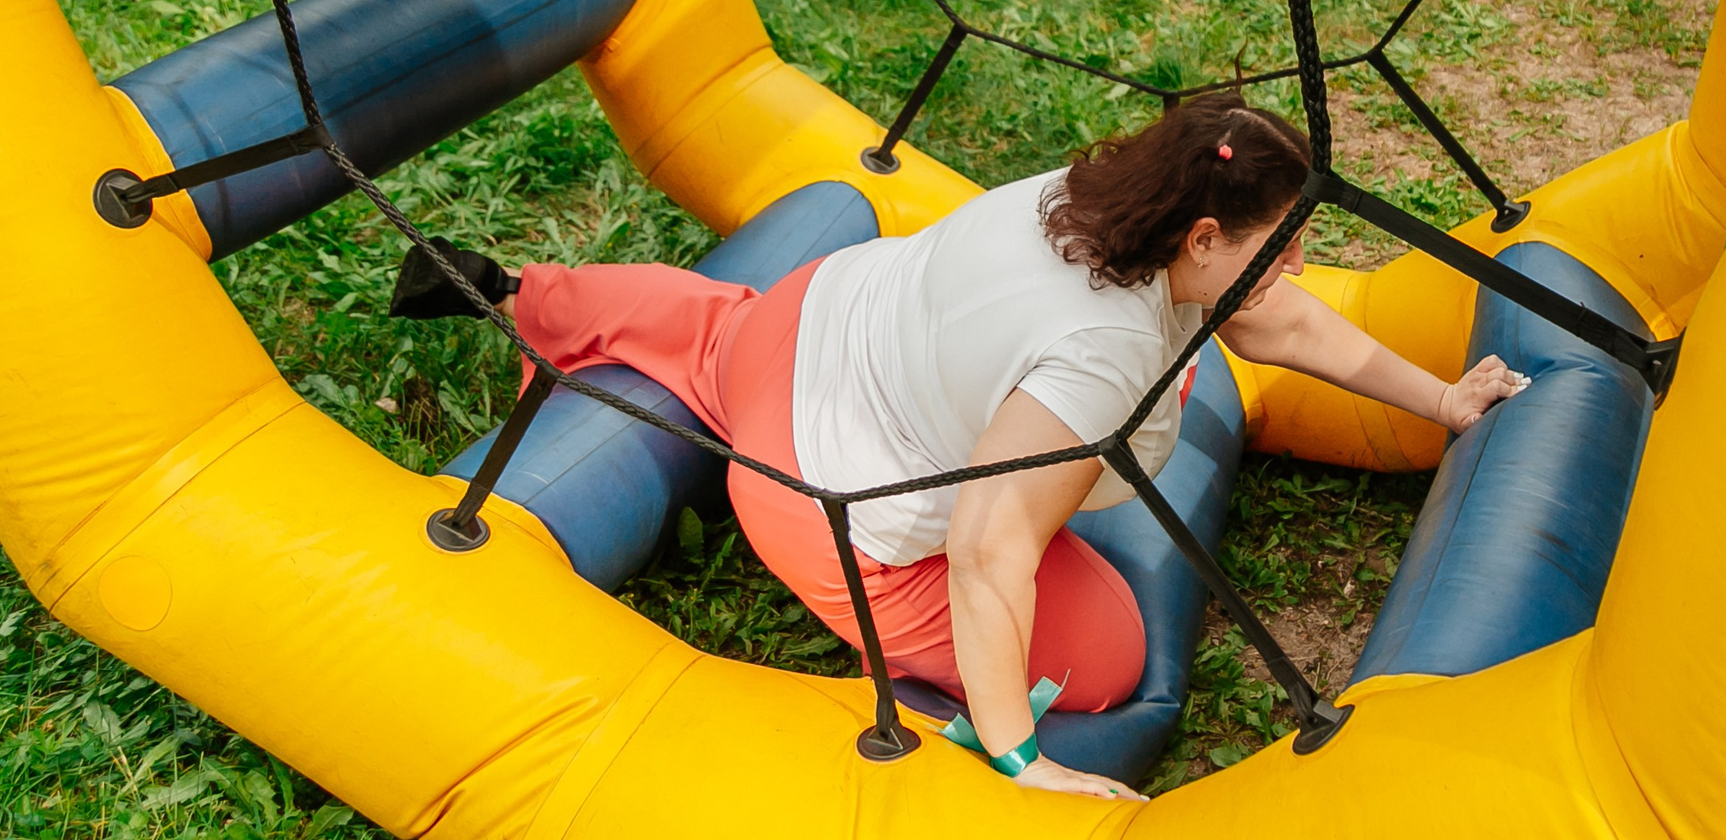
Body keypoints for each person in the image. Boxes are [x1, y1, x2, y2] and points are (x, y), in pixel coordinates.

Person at [392, 93, 1528, 801]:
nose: (1286, 270)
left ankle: (515, 289)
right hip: (819, 500)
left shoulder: (1100, 194)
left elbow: (1277, 319)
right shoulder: (1096, 350)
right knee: (1112, 654)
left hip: (807, 315)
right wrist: (1022, 760)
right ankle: (966, 729)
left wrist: (1438, 397)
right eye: (1275, 248)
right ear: (1200, 235)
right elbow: (989, 548)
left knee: (707, 326)